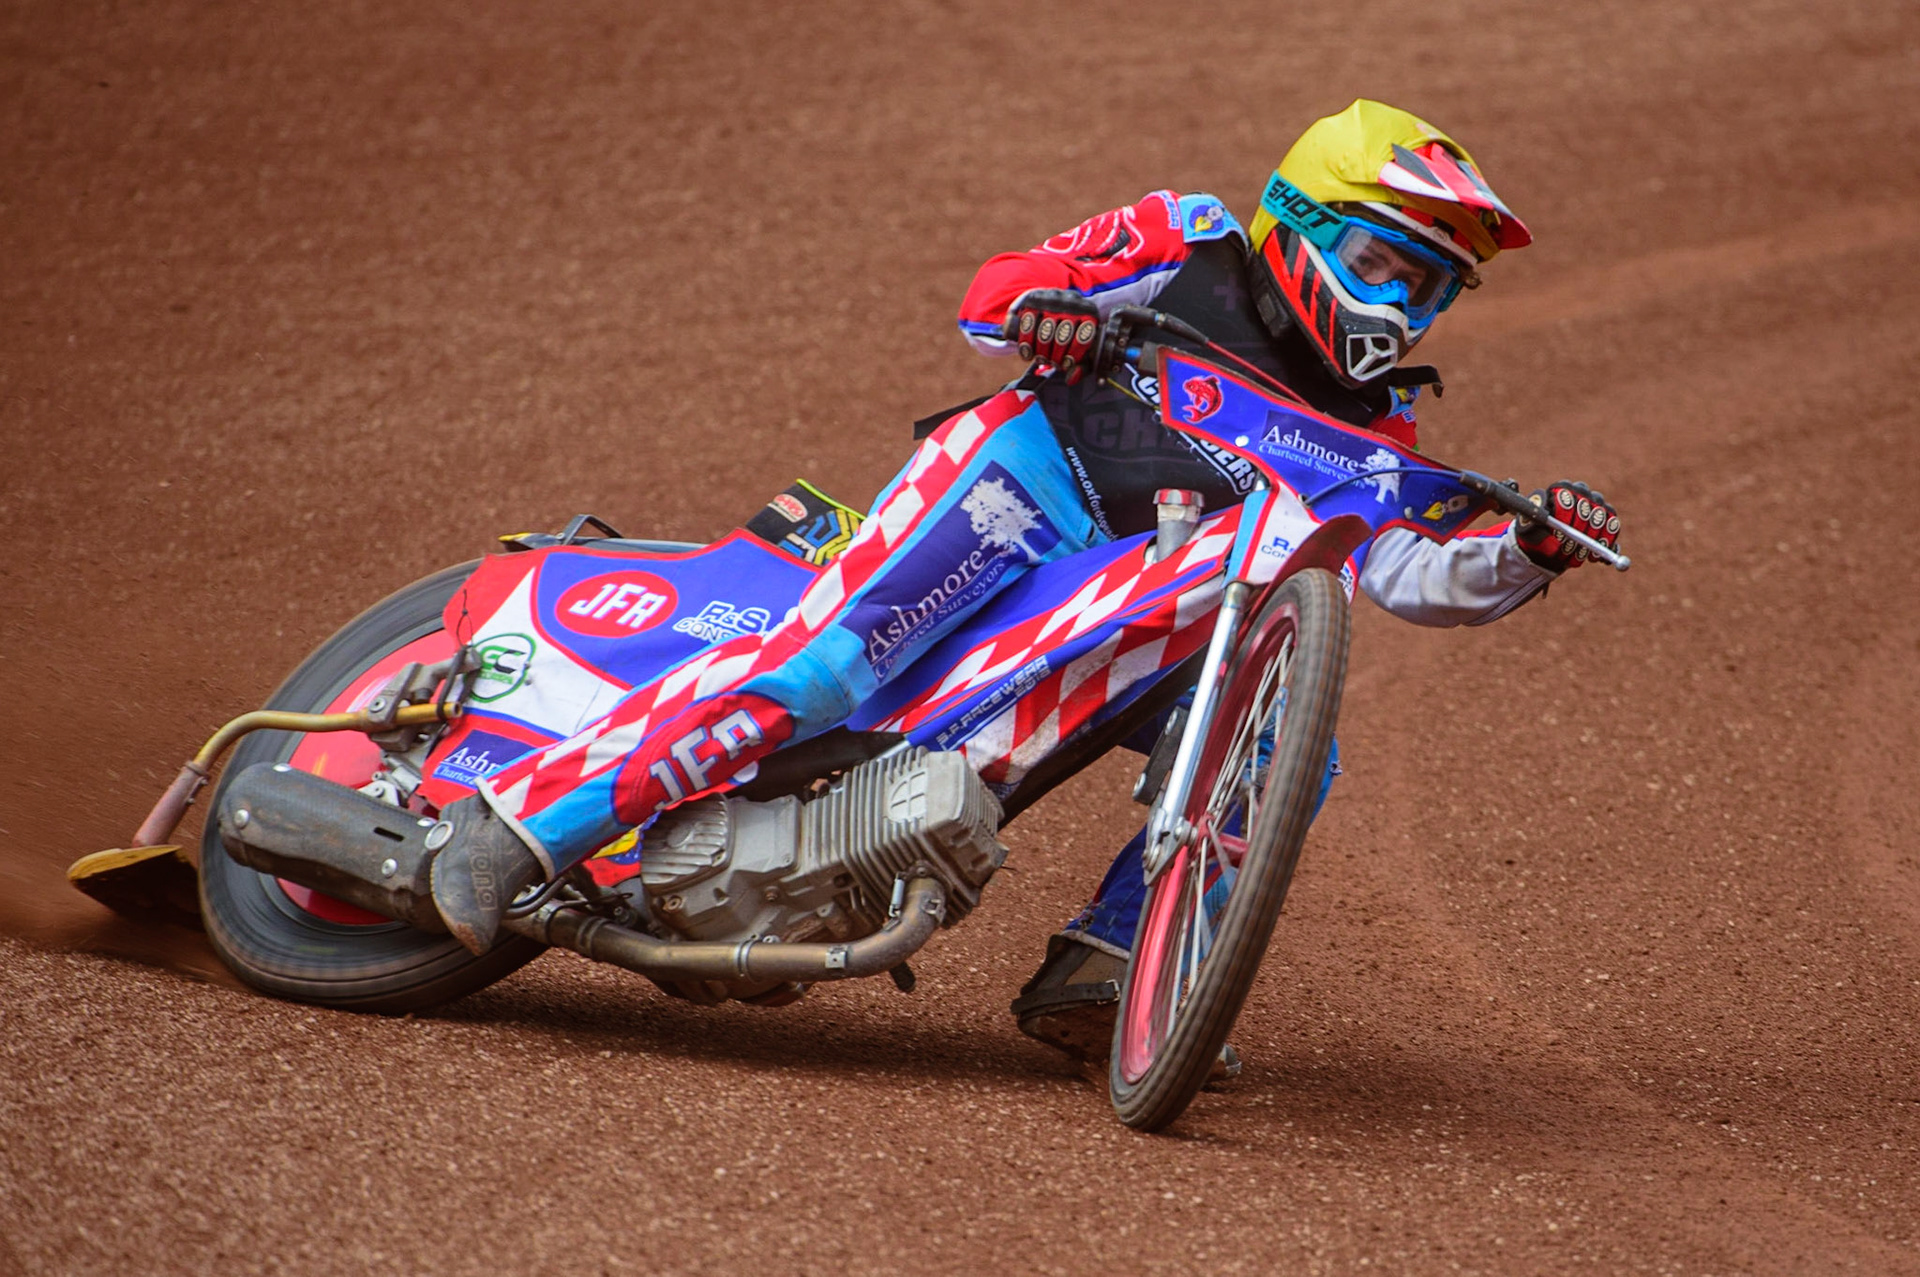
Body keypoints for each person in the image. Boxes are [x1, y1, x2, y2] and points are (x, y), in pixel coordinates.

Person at [425, 100, 1623, 1071]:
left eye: (1428, 287)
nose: (1399, 306)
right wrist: (1048, 315)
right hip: (1022, 489)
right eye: (1378, 265)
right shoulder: (1191, 238)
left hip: (1148, 595)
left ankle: (1111, 969)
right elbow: (1003, 285)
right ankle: (516, 827)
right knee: (822, 669)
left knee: (1291, 751)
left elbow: (1405, 572)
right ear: (1298, 221)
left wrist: (1529, 552)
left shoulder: (1383, 429)